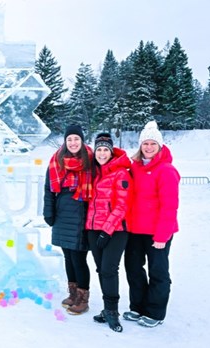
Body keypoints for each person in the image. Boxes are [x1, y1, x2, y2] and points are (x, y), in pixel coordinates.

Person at [123, 120, 180, 328]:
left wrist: (162, 236)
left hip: (157, 232)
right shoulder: (135, 168)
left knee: (158, 271)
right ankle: (137, 307)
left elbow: (170, 206)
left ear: (160, 147)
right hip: (135, 230)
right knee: (134, 269)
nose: (148, 148)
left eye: (152, 144)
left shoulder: (166, 170)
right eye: (145, 144)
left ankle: (155, 312)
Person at [43, 125, 94, 315]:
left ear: (82, 141)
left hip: (82, 210)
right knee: (68, 256)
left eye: (76, 139)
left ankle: (83, 297)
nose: (73, 143)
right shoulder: (56, 160)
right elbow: (49, 189)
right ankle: (72, 293)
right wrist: (49, 212)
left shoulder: (91, 160)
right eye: (70, 139)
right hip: (62, 211)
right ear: (65, 141)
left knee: (79, 257)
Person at [85, 133, 132, 332]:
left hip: (116, 230)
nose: (102, 153)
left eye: (106, 149)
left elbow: (123, 206)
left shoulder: (121, 173)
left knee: (109, 270)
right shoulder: (93, 172)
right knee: (100, 270)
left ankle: (112, 311)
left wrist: (107, 231)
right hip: (93, 229)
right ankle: (106, 309)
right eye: (99, 149)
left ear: (111, 152)